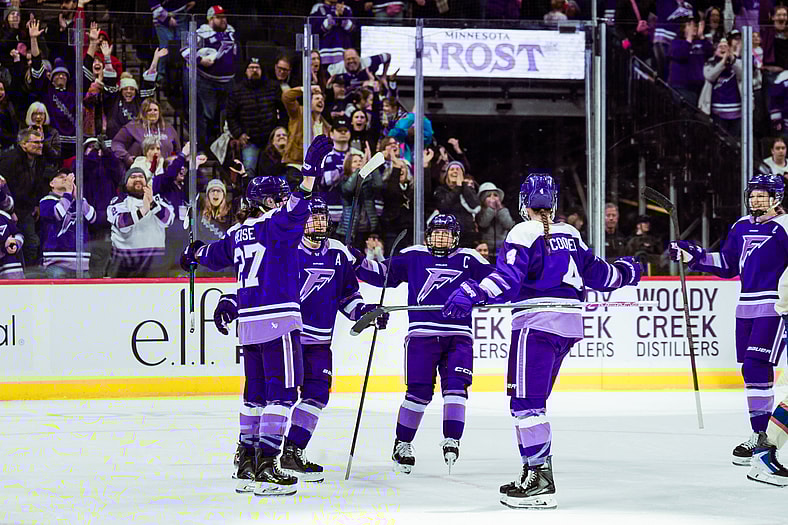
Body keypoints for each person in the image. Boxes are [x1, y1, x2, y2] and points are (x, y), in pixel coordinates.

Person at [442, 174, 642, 509]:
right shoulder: (571, 233)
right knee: (533, 403)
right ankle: (532, 471)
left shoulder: (523, 231)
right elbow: (600, 274)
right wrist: (629, 272)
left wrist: (473, 291)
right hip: (568, 326)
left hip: (536, 324)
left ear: (523, 203)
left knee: (525, 404)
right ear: (554, 202)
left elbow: (507, 278)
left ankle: (539, 477)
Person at [179, 135, 333, 496]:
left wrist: (193, 254)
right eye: (279, 195)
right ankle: (267, 465)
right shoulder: (275, 224)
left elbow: (211, 255)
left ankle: (245, 461)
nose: (284, 199)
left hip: (249, 325)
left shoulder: (238, 232)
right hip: (278, 320)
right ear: (268, 201)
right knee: (281, 395)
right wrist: (309, 170)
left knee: (255, 396)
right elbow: (300, 204)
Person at [216, 196, 389, 487]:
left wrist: (365, 313)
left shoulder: (338, 253)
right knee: (268, 394)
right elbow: (258, 284)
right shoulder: (285, 247)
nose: (318, 222)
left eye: (322, 217)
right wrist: (231, 301)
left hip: (319, 341)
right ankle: (252, 453)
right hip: (285, 334)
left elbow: (347, 296)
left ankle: (292, 452)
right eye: (312, 217)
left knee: (317, 395)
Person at [355, 214, 495, 474]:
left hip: (459, 335)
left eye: (447, 233)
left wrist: (481, 293)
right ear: (428, 235)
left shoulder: (469, 258)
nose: (441, 238)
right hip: (422, 334)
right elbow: (384, 274)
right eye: (436, 233)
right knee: (418, 392)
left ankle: (452, 438)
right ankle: (403, 443)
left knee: (456, 388)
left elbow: (496, 283)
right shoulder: (414, 255)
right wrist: (357, 262)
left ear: (456, 237)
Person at [669, 173, 788, 468]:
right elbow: (727, 264)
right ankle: (759, 433)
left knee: (756, 365)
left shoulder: (786, 226)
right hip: (744, 307)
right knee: (750, 372)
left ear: (777, 197)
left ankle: (763, 437)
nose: (756, 199)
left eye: (763, 194)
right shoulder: (740, 226)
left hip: (773, 304)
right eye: (753, 194)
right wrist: (693, 256)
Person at [180, 5, 238, 149]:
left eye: (224, 17)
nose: (223, 20)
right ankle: (203, 147)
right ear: (210, 19)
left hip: (229, 81)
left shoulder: (231, 32)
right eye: (219, 17)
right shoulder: (201, 34)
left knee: (228, 115)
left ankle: (222, 146)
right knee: (208, 115)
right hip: (207, 82)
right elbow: (185, 51)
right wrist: (201, 61)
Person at [106, 166, 175, 277]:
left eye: (141, 176)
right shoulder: (118, 202)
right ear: (125, 182)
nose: (138, 179)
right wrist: (143, 211)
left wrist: (152, 204)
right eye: (133, 177)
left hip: (155, 265)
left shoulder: (158, 200)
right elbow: (121, 223)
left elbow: (168, 220)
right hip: (125, 266)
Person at [38, 168, 97, 278]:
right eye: (61, 177)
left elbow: (92, 217)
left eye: (67, 178)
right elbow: (58, 214)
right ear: (52, 183)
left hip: (81, 263)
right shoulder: (46, 201)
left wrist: (78, 197)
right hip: (56, 262)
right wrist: (68, 194)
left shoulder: (79, 201)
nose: (66, 179)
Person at [226, 57, 279, 174]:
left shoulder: (272, 87)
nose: (254, 70)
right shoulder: (237, 91)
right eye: (251, 68)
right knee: (249, 170)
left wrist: (279, 130)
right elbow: (231, 116)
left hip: (271, 138)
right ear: (245, 71)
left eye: (257, 68)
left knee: (274, 170)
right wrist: (239, 134)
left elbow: (283, 112)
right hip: (250, 140)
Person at [111, 99, 181, 168]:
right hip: (140, 171)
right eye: (149, 110)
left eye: (155, 110)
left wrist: (173, 159)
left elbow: (178, 150)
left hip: (164, 171)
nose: (153, 112)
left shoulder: (168, 128)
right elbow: (116, 143)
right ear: (143, 112)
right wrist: (126, 157)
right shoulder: (133, 127)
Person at [476, 182, 515, 262]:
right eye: (488, 196)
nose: (492, 198)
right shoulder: (480, 211)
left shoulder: (503, 210)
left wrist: (500, 209)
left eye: (495, 195)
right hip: (486, 250)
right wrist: (491, 210)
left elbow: (509, 225)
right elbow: (483, 223)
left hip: (501, 249)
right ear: (483, 200)